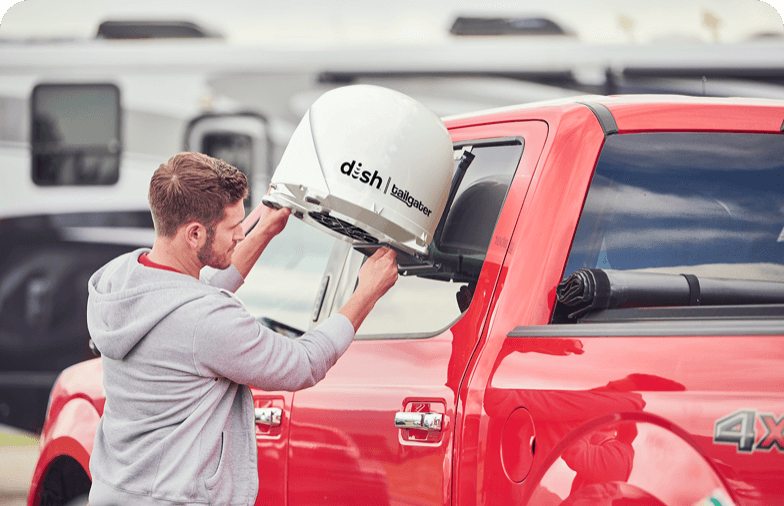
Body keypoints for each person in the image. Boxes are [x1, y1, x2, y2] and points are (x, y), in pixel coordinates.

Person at [86, 152, 398, 506]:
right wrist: (367, 292)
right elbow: (302, 364)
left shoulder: (118, 281)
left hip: (114, 493)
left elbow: (196, 296)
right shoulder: (207, 319)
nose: (240, 235)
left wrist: (264, 230)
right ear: (194, 234)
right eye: (234, 227)